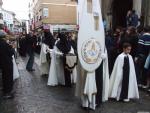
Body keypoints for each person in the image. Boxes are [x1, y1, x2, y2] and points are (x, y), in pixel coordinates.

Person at [0, 30, 15, 99]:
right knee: (8, 77)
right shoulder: (5, 43)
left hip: (2, 63)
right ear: (4, 36)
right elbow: (11, 52)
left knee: (5, 77)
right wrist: (12, 47)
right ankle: (7, 93)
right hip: (7, 63)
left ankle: (6, 90)